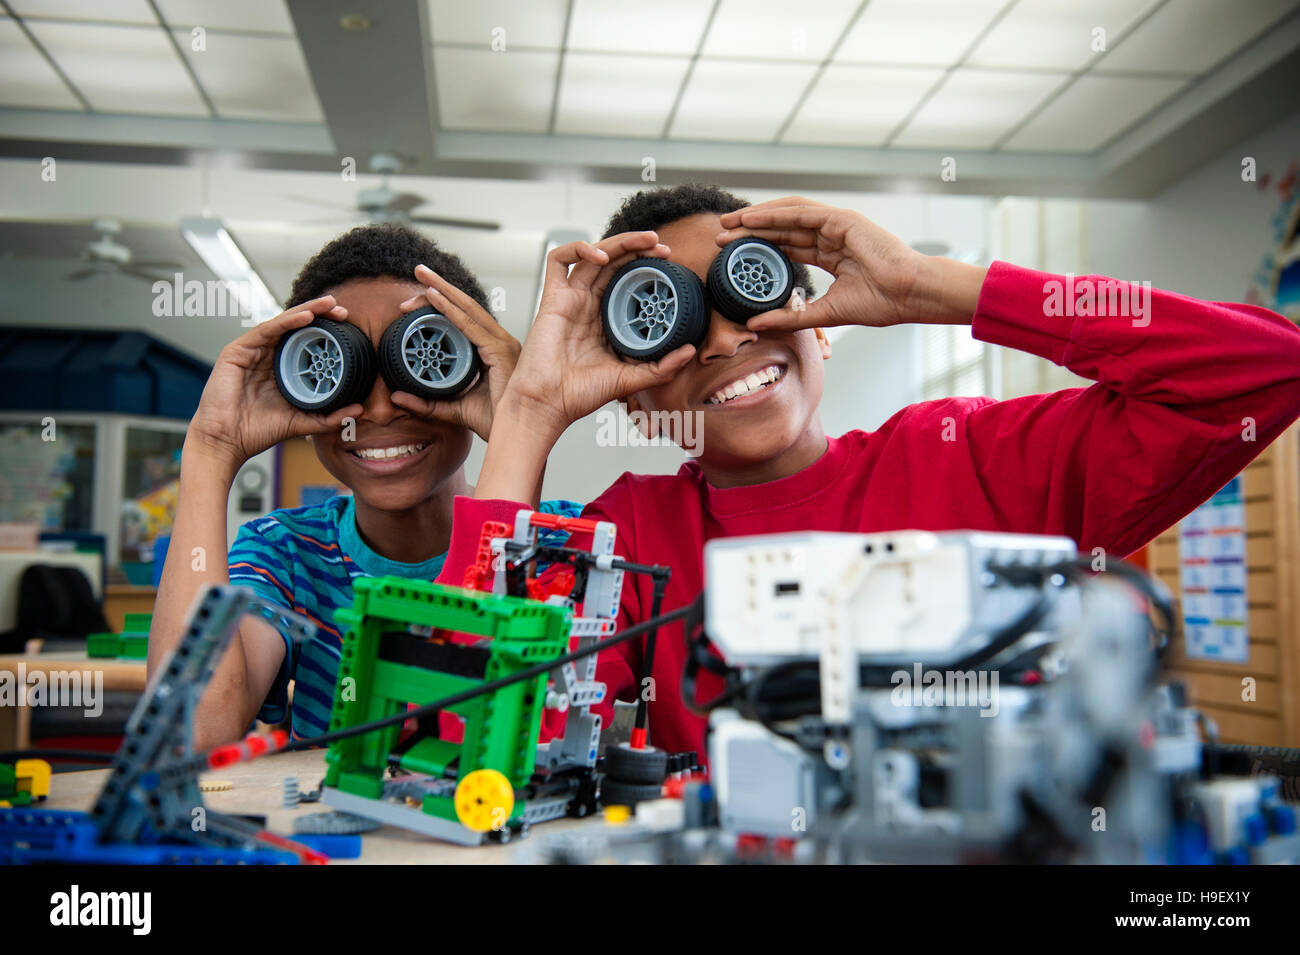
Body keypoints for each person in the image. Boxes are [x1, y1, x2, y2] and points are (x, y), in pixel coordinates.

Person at [432, 185, 1300, 757]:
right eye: (673, 325)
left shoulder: (968, 460)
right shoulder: (627, 537)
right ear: (633, 392)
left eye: (755, 296)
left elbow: (1262, 370)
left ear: (819, 326)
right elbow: (475, 738)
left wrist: (938, 287)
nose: (731, 339)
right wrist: (530, 418)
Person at [148, 224, 579, 750]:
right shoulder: (285, 554)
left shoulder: (569, 547)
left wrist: (522, 426)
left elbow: (479, 722)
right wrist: (209, 451)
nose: (377, 409)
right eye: (340, 372)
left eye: (426, 361)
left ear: (476, 371)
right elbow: (188, 737)